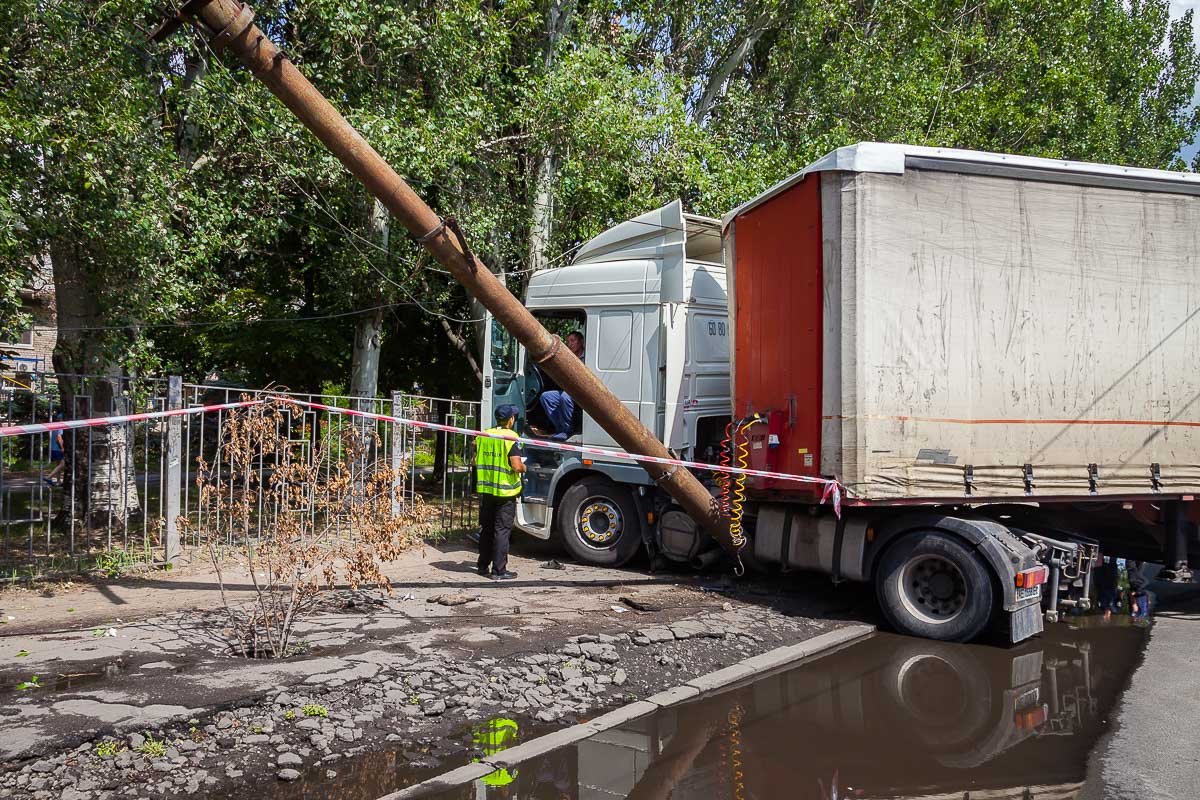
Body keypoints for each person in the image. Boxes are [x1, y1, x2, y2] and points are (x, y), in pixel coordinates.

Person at [475, 404, 526, 580]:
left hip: (487, 490)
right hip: (506, 493)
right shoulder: (511, 437)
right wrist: (525, 467)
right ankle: (499, 571)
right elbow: (516, 466)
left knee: (487, 529)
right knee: (502, 531)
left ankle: (482, 566)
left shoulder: (484, 435)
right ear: (510, 419)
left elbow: (475, 460)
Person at [536, 331, 584, 440]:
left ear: (581, 342)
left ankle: (568, 430)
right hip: (568, 389)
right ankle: (560, 428)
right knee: (546, 397)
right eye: (568, 341)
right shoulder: (568, 357)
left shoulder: (586, 357)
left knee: (565, 397)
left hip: (580, 393)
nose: (570, 344)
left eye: (573, 341)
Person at [44, 412, 65, 487]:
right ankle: (48, 477)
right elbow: (59, 437)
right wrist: (62, 447)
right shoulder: (61, 426)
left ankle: (58, 481)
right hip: (58, 448)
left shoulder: (54, 426)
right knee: (63, 464)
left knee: (58, 465)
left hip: (53, 448)